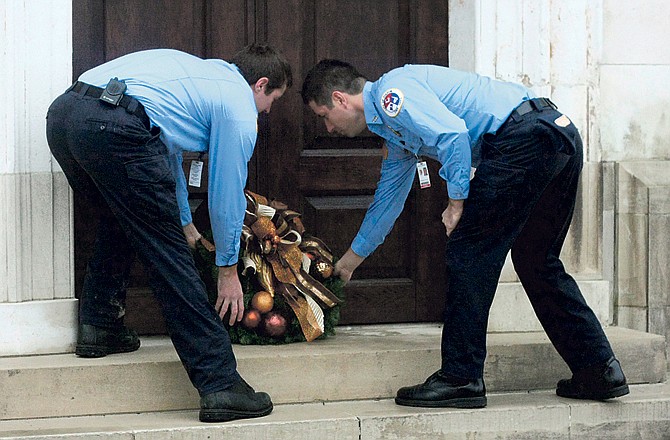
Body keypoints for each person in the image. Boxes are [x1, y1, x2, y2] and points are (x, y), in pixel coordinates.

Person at [300, 60, 629, 408]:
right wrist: (350, 262)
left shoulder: (390, 96)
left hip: (524, 139)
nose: (328, 128)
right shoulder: (397, 132)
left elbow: (453, 135)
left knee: (468, 253)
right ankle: (599, 370)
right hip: (556, 134)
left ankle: (460, 378)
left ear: (340, 99)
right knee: (537, 261)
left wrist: (456, 201)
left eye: (324, 115)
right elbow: (388, 201)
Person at [46, 44, 292, 422]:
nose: (268, 110)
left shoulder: (196, 77)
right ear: (260, 85)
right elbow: (226, 193)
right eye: (272, 100)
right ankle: (219, 383)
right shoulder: (238, 105)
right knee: (168, 257)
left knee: (121, 220)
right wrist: (227, 269)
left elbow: (161, 150)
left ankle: (100, 324)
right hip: (116, 125)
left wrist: (185, 222)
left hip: (65, 116)